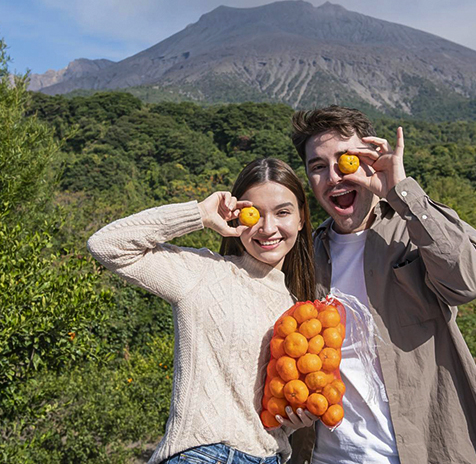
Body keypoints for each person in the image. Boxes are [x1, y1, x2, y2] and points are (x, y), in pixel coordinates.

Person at [288, 106, 476, 464]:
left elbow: (470, 281)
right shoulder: (306, 257)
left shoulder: (412, 229)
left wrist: (403, 194)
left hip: (421, 450)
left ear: (369, 160)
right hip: (326, 456)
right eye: (318, 166)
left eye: (344, 160)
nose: (333, 177)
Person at [87, 157, 318, 464]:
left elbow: (265, 416)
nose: (268, 227)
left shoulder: (299, 310)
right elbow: (106, 244)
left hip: (269, 458)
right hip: (204, 454)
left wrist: (293, 419)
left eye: (282, 212)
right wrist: (199, 213)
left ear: (302, 218)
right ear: (236, 217)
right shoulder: (204, 273)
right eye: (254, 214)